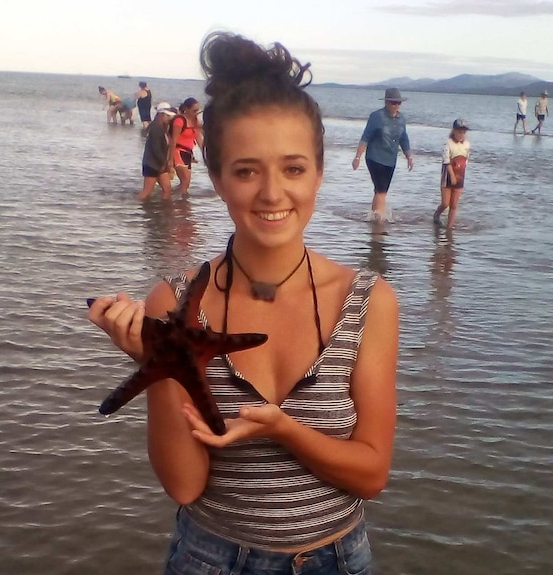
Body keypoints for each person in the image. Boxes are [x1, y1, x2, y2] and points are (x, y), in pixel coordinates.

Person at [88, 31, 398, 574]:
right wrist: (159, 367)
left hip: (340, 560)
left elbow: (371, 475)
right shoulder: (177, 301)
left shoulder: (367, 302)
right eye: (247, 170)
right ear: (217, 179)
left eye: (294, 168)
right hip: (212, 559)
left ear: (320, 175)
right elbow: (186, 486)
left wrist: (283, 429)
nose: (273, 194)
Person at [352, 87, 414, 221]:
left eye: (399, 103)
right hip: (374, 158)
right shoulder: (376, 117)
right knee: (382, 191)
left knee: (379, 191)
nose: (396, 105)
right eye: (393, 103)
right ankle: (379, 223)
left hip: (391, 160)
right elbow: (365, 137)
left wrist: (409, 156)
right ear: (386, 102)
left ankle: (373, 218)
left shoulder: (401, 119)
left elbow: (404, 138)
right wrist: (357, 157)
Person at [433, 118, 471, 229]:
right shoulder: (448, 143)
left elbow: (466, 160)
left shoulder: (467, 145)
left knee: (454, 205)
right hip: (448, 176)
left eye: (463, 132)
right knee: (445, 203)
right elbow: (446, 161)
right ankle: (436, 215)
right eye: (459, 132)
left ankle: (449, 227)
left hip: (460, 176)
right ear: (454, 131)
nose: (461, 134)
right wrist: (452, 175)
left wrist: (461, 174)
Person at [140, 102, 177, 201]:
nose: (170, 119)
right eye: (168, 116)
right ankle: (137, 209)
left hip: (159, 164)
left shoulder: (162, 127)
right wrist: (164, 163)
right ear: (161, 114)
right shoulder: (156, 127)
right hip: (152, 164)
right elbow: (156, 148)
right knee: (147, 192)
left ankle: (164, 209)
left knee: (167, 189)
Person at [168, 97, 205, 197]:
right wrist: (170, 160)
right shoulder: (179, 121)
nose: (196, 112)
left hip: (188, 153)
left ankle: (168, 194)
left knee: (186, 183)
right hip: (178, 152)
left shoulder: (195, 121)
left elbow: (198, 138)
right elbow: (173, 140)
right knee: (184, 181)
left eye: (198, 110)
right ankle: (182, 205)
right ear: (187, 109)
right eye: (194, 110)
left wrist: (205, 153)